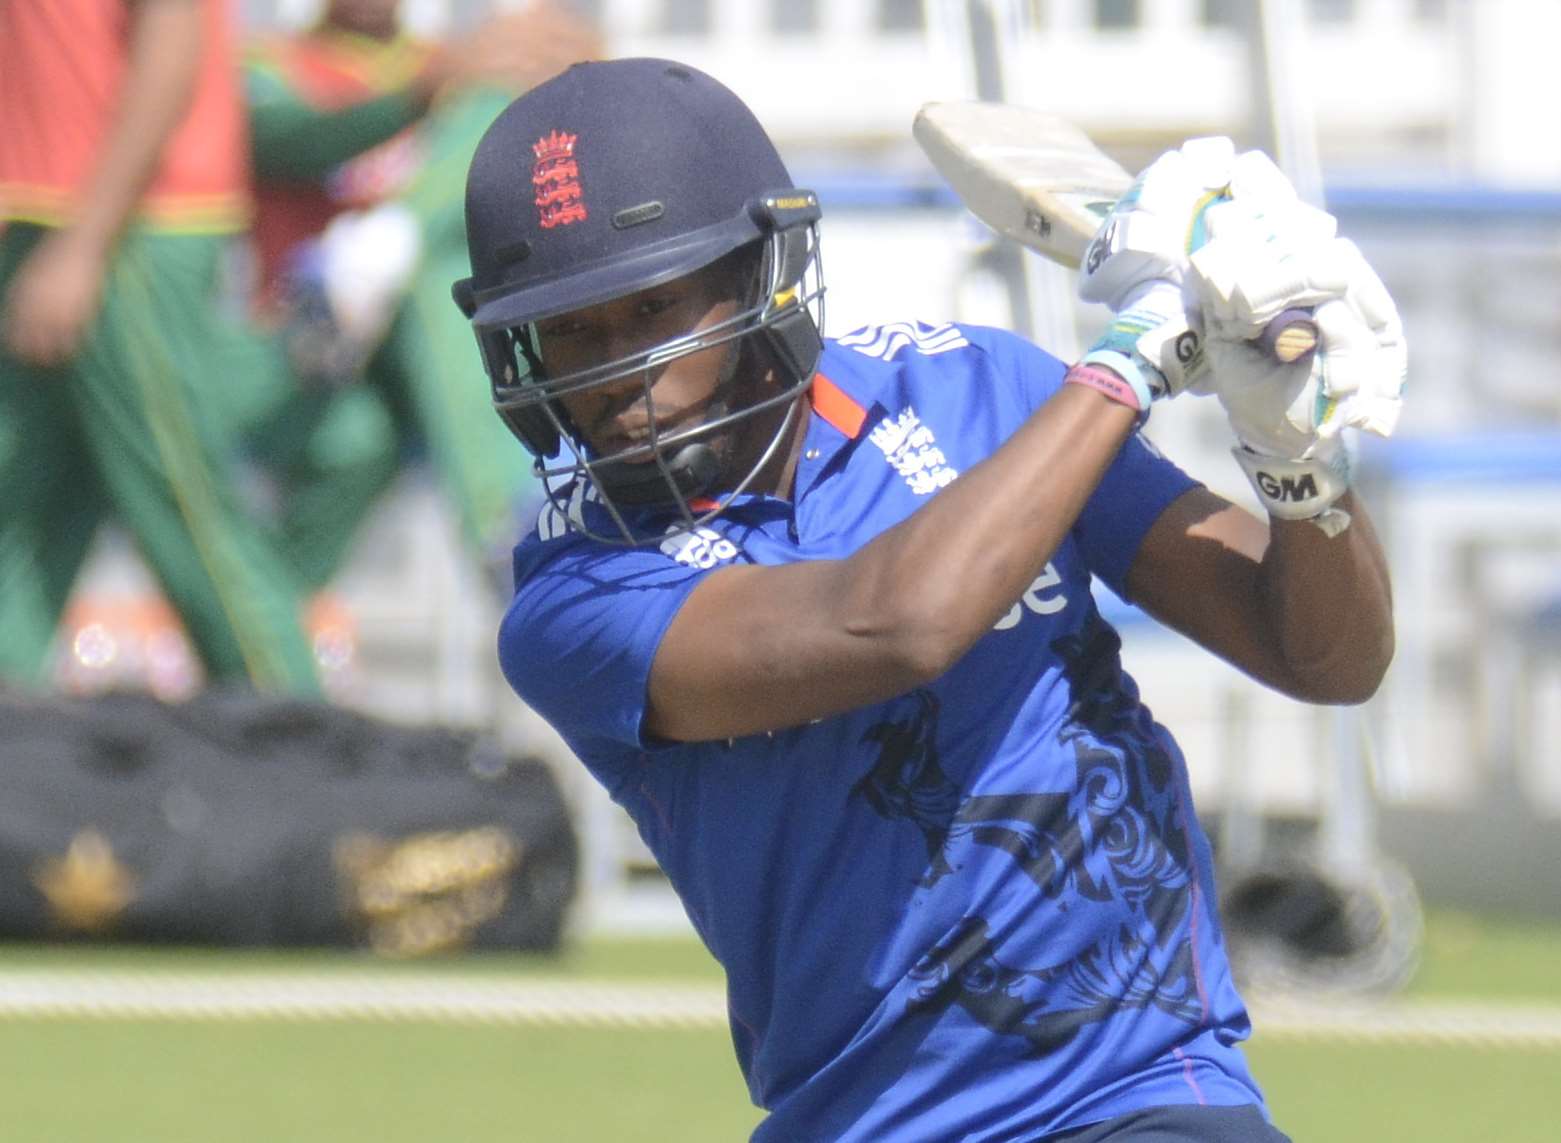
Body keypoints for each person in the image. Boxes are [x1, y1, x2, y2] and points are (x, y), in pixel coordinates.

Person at [454, 59, 1406, 1142]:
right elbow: (893, 624)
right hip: (867, 1117)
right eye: (575, 331)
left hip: (1140, 1090)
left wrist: (1295, 462)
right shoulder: (571, 600)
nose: (621, 370)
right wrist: (1135, 355)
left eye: (655, 305)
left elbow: (1324, 659)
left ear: (759, 272)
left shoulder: (980, 391)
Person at [0, 0, 320, 694]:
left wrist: (82, 245)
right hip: (46, 222)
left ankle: (305, 735)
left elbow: (172, 47)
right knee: (23, 517)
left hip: (124, 228)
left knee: (189, 511)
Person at [227, 0, 601, 591]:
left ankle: (378, 249)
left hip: (411, 356)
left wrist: (576, 77)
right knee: (364, 422)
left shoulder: (464, 68)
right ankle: (504, 528)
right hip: (298, 351)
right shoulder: (268, 61)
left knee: (439, 257)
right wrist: (417, 94)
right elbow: (286, 138)